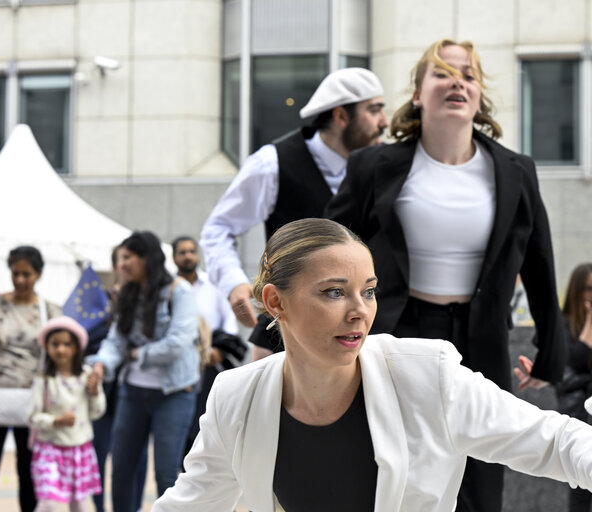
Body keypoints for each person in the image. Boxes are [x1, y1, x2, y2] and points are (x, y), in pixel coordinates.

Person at [152, 218, 592, 512]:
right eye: (334, 292)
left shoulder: (426, 374)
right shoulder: (237, 397)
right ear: (275, 302)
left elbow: (555, 442)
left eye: (369, 290)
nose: (360, 310)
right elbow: (190, 504)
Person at [324, 39, 566, 512]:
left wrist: (549, 355)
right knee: (393, 468)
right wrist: (279, 331)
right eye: (442, 73)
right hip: (399, 332)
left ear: (478, 97)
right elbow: (327, 247)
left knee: (480, 481)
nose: (458, 81)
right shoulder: (375, 166)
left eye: (469, 75)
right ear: (418, 95)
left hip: (482, 338)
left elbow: (540, 262)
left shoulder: (515, 170)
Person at [200, 67, 387, 361]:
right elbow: (218, 228)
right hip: (286, 335)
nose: (384, 123)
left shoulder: (386, 167)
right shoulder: (271, 163)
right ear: (341, 117)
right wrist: (234, 282)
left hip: (369, 332)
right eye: (374, 111)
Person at [89, 231, 200, 512]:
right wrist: (102, 364)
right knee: (122, 470)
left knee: (166, 473)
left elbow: (178, 343)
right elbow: (116, 340)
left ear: (146, 258)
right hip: (132, 393)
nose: (122, 264)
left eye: (128, 257)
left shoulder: (179, 291)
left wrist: (137, 354)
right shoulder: (129, 293)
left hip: (174, 393)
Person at [0, 245, 62, 512]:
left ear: (39, 275)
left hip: (32, 400)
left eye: (26, 274)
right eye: (15, 273)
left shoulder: (50, 311)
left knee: (29, 471)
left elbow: (63, 352)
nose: (20, 280)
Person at [171, 235, 242, 457]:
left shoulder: (213, 284)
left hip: (211, 363)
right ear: (174, 257)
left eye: (191, 251)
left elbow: (229, 321)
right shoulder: (168, 288)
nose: (188, 256)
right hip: (178, 365)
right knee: (182, 425)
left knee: (210, 420)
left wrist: (220, 351)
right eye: (182, 252)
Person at [89, 244, 147, 512]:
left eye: (132, 258)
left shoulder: (149, 300)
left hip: (138, 390)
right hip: (102, 393)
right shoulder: (97, 302)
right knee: (97, 457)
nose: (128, 265)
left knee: (136, 459)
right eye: (122, 259)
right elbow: (84, 343)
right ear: (115, 267)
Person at [29, 316, 106, 512]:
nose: (61, 349)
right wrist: (56, 421)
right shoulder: (43, 379)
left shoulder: (86, 376)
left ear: (76, 348)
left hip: (80, 450)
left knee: (80, 504)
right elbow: (33, 417)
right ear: (46, 346)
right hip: (49, 449)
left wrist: (95, 392)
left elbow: (97, 412)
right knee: (48, 503)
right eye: (55, 344)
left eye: (67, 344)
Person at [554, 263, 592, 512]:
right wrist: (589, 323)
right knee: (580, 483)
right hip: (578, 412)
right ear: (578, 290)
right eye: (590, 288)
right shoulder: (564, 324)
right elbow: (575, 359)